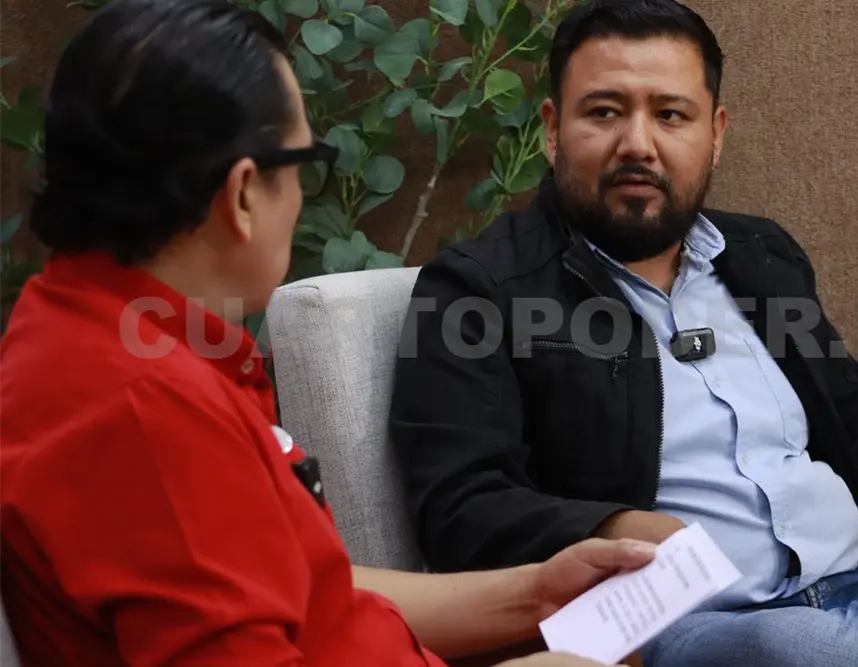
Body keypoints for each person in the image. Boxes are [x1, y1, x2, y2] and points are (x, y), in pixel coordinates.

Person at [388, 1, 858, 666]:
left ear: (715, 134)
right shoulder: (480, 289)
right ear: (553, 129)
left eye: (670, 115)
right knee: (797, 645)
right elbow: (459, 506)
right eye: (604, 112)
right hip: (682, 626)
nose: (637, 143)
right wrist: (613, 525)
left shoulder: (762, 260)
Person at [0, 1, 657, 666]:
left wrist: (535, 595)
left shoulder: (80, 330)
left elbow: (304, 588)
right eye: (306, 164)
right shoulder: (149, 412)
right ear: (244, 193)